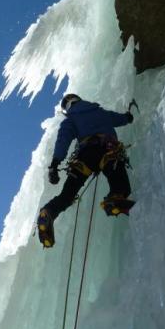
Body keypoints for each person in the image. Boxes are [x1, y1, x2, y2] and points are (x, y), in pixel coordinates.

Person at [37, 93, 135, 247]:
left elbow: (63, 141)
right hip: (107, 150)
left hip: (85, 158)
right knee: (120, 184)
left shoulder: (71, 120)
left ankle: (48, 212)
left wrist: (54, 165)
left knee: (67, 195)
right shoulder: (100, 112)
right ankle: (115, 198)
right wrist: (128, 117)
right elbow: (119, 119)